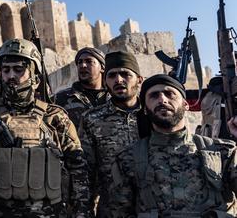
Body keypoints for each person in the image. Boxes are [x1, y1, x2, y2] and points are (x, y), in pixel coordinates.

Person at [0, 38, 90, 217]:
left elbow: (78, 168)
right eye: (6, 70)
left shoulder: (55, 117)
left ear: (35, 76)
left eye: (18, 69)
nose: (11, 76)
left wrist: (82, 212)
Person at [109, 74, 237, 217]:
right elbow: (120, 212)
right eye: (154, 96)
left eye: (170, 94)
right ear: (145, 109)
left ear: (186, 104)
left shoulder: (222, 152)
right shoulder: (128, 159)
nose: (162, 100)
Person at [78, 51, 144, 217]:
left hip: (154, 208)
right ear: (106, 81)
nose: (119, 80)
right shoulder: (92, 119)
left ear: (139, 80)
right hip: (112, 211)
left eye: (125, 74)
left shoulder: (153, 115)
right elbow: (85, 173)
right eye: (112, 75)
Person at [55, 47, 108, 128]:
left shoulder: (113, 98)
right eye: (80, 62)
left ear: (102, 67)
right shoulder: (60, 99)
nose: (83, 65)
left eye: (89, 61)